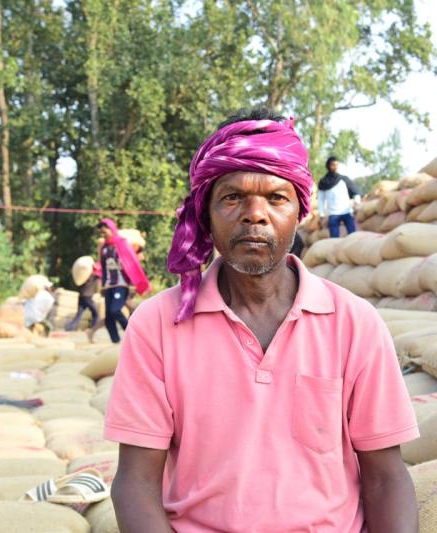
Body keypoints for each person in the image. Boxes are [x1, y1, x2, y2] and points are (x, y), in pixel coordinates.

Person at [105, 108, 419, 532]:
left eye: (276, 198)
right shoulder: (158, 324)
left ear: (300, 210)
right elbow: (135, 482)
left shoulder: (353, 322)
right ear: (205, 212)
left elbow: (385, 479)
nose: (255, 213)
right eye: (233, 197)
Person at [97, 218, 151, 343]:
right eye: (101, 233)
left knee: (115, 310)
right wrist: (103, 283)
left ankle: (132, 334)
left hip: (121, 284)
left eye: (104, 232)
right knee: (108, 316)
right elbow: (103, 267)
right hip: (109, 285)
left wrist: (134, 283)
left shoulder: (122, 243)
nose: (102, 234)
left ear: (111, 229)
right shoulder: (104, 248)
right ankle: (115, 341)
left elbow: (132, 262)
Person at [317, 156, 362, 238]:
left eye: (337, 165)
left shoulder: (344, 179)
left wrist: (357, 203)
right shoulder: (323, 182)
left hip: (346, 212)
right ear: (328, 166)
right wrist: (321, 214)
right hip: (333, 214)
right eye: (333, 165)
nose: (335, 167)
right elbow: (320, 199)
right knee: (334, 239)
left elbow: (355, 192)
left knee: (353, 236)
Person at [66, 261, 101, 332]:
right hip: (87, 298)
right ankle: (93, 330)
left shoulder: (84, 276)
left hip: (81, 296)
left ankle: (68, 328)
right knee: (96, 314)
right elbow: (101, 274)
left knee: (78, 315)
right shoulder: (93, 276)